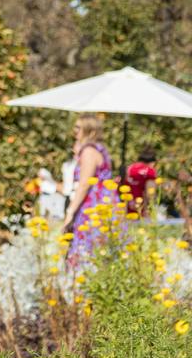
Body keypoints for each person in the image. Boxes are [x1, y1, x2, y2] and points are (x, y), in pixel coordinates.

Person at [61, 113, 119, 267]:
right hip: (101, 205)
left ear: (90, 131)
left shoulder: (89, 151)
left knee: (87, 251)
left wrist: (70, 211)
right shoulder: (97, 149)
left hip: (92, 207)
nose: (75, 131)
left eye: (79, 128)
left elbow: (84, 184)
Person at [125, 149, 159, 218]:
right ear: (152, 162)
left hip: (128, 205)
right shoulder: (150, 171)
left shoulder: (129, 168)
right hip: (142, 208)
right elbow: (150, 193)